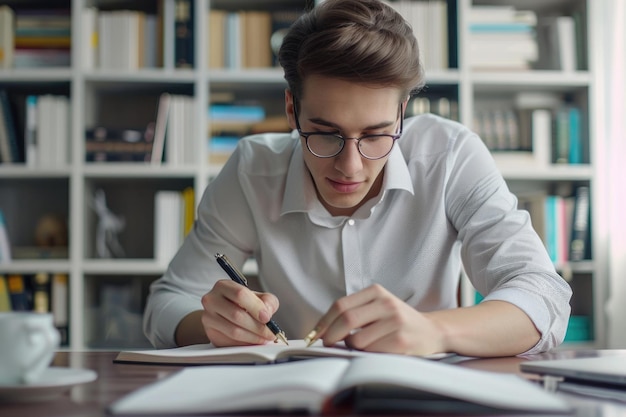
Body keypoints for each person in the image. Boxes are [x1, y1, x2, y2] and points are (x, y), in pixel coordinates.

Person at [144, 0, 571, 357]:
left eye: (376, 134)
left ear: (402, 112)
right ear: (292, 109)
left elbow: (543, 295)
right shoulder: (252, 169)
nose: (350, 166)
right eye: (325, 135)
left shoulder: (451, 155)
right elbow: (166, 302)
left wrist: (434, 331)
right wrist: (212, 325)